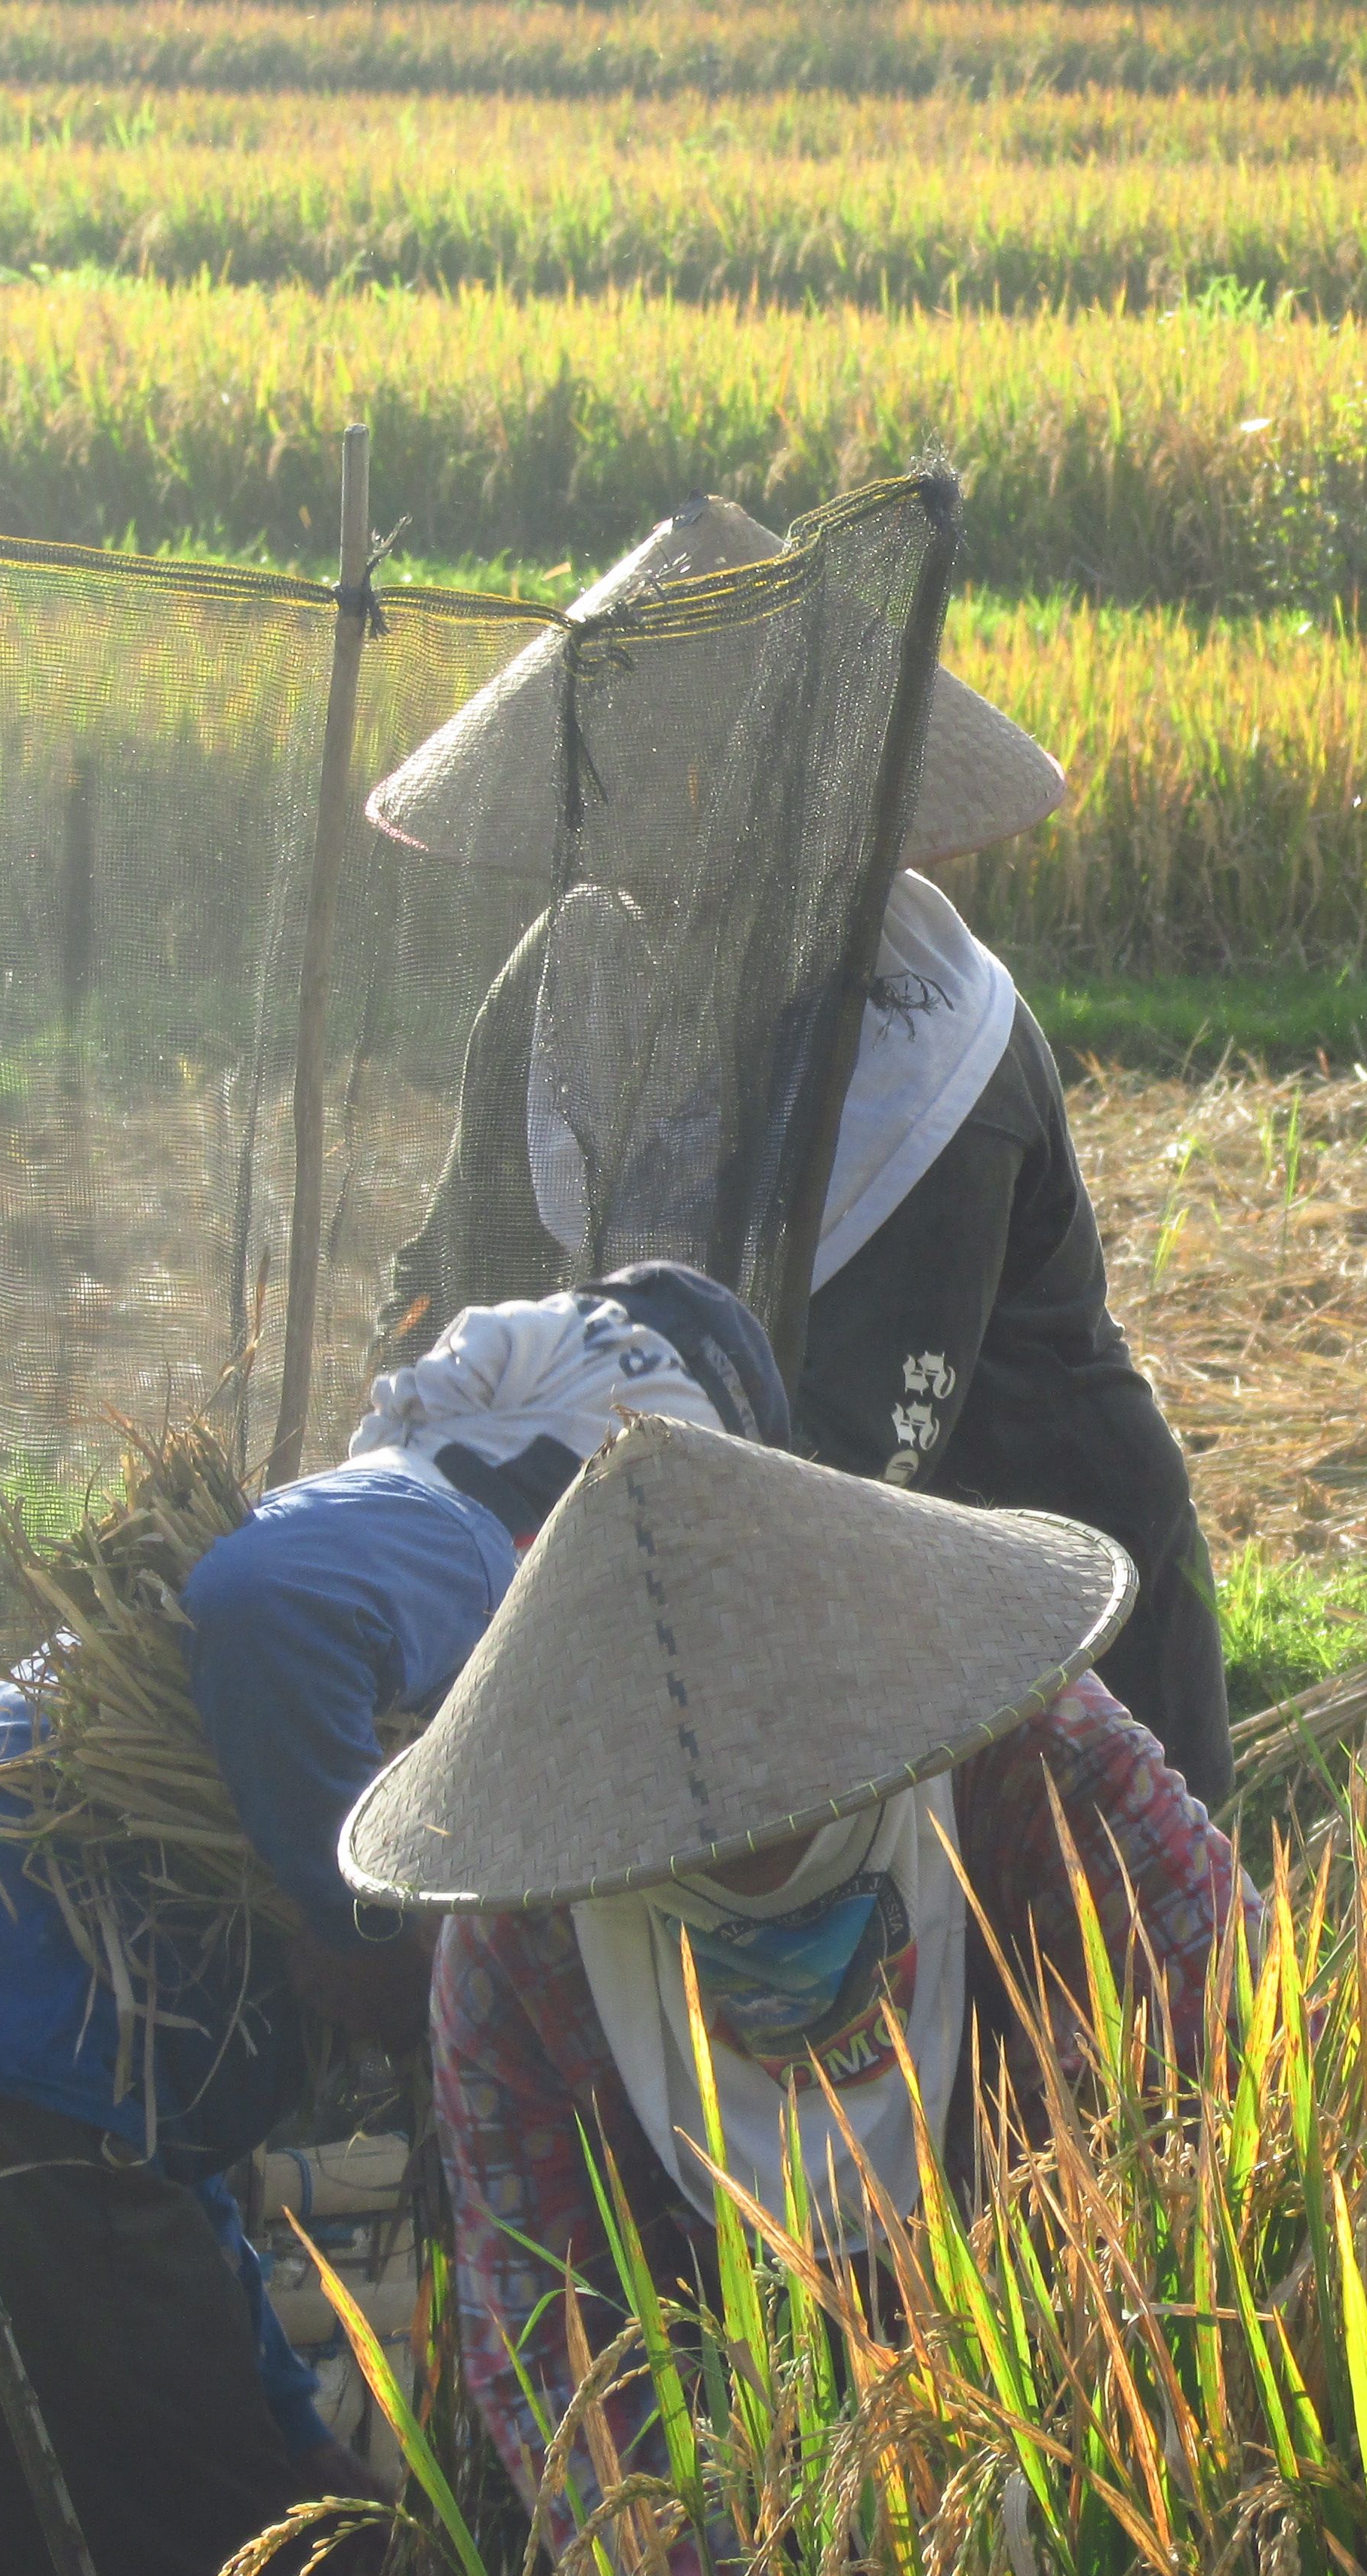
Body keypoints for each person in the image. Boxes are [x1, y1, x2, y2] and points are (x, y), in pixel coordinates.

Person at [0, 1262, 785, 2576]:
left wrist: (286, 2427)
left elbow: (157, 2123)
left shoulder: (251, 1718)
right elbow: (271, 1601)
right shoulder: (475, 1535)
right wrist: (369, 1925)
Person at [370, 495, 1231, 1804]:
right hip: (675, 1586)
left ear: (791, 803)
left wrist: (577, 1571)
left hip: (1032, 1612)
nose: (647, 852)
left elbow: (847, 1468)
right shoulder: (573, 980)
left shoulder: (932, 1056)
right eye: (625, 797)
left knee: (1069, 1989)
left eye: (686, 806)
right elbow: (458, 1265)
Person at [336, 1417, 1255, 2576]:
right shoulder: (520, 1946)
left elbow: (1225, 2061)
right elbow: (546, 2343)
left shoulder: (1042, 1767)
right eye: (704, 1850)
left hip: (1078, 2357)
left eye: (799, 1806)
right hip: (738, 2423)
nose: (755, 1849)